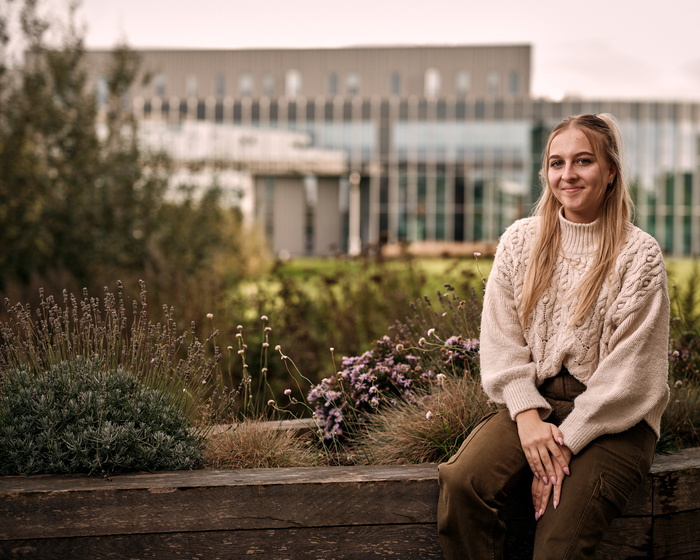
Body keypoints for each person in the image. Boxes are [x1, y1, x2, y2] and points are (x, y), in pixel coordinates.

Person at [437, 113, 670, 559]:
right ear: (545, 172)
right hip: (536, 400)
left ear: (610, 172)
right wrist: (526, 417)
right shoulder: (520, 241)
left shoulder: (640, 256)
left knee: (557, 546)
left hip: (614, 419)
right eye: (557, 163)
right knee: (463, 482)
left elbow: (631, 378)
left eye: (583, 161)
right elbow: (502, 342)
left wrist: (559, 451)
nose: (568, 174)